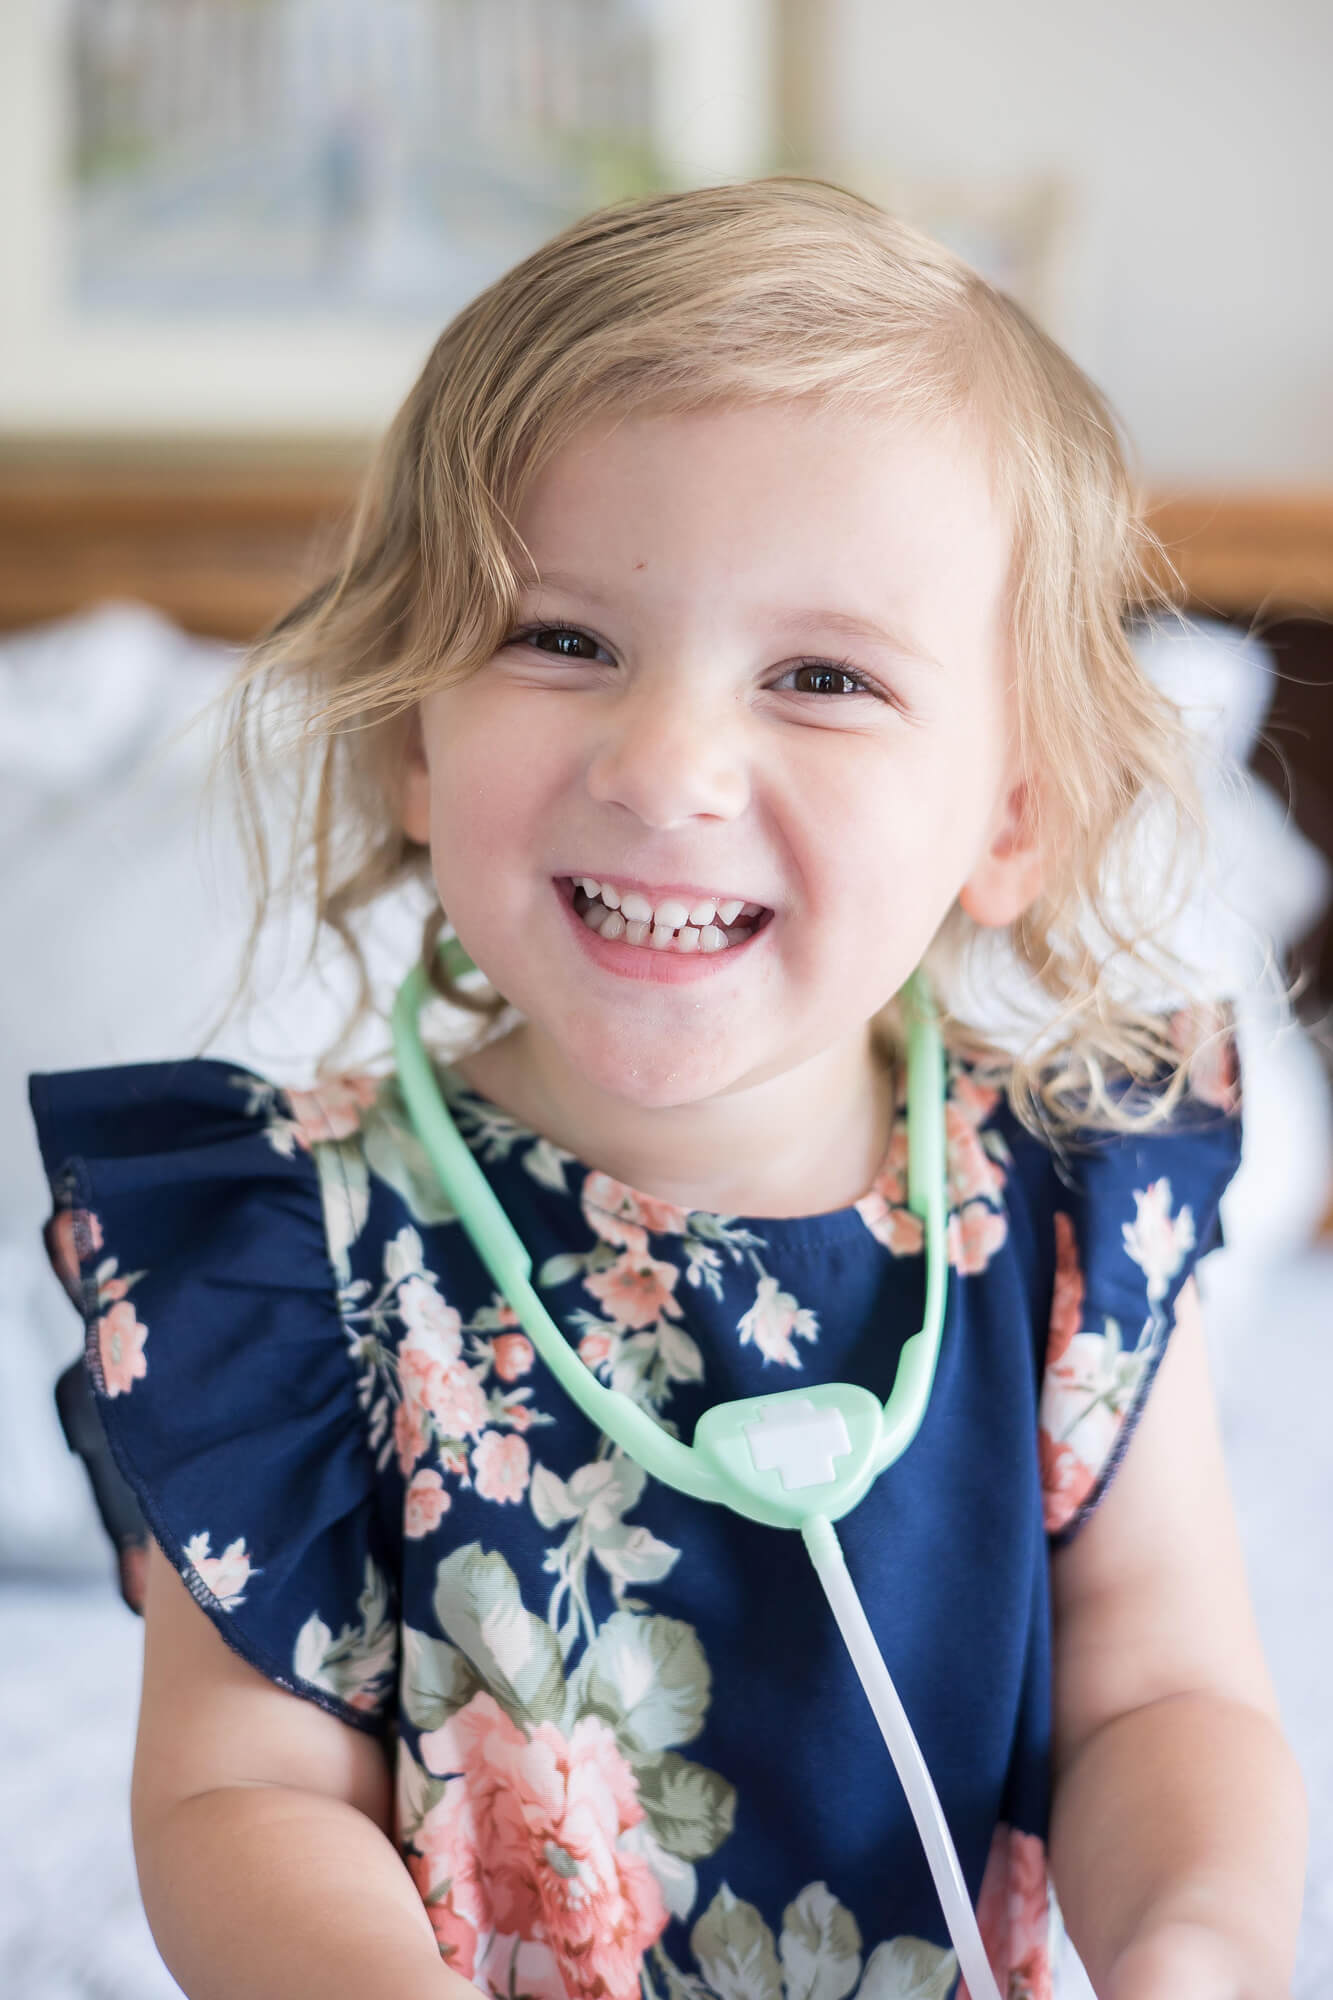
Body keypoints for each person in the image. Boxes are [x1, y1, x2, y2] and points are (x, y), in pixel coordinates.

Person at [29, 179, 1305, 2000]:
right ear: (411, 730)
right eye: (561, 639)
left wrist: (1197, 1944)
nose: (669, 764)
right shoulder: (276, 1262)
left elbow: (1164, 1701)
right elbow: (243, 1799)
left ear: (1008, 814)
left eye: (820, 674)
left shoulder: (1068, 1207)